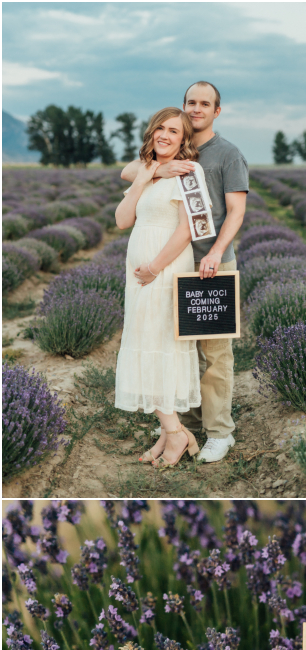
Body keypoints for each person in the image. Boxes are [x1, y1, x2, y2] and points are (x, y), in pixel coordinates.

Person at [122, 79, 248, 465]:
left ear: (216, 110)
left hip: (209, 263)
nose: (196, 109)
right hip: (175, 262)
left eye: (204, 103)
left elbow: (236, 211)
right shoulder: (170, 148)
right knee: (178, 346)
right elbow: (129, 171)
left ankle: (218, 433)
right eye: (190, 102)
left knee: (214, 353)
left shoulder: (227, 154)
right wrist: (159, 171)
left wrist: (217, 252)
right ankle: (179, 425)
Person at [113, 108, 209, 468]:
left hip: (164, 270)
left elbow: (189, 229)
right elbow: (123, 220)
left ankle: (177, 435)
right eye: (161, 129)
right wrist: (149, 173)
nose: (165, 135)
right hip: (138, 274)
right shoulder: (149, 171)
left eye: (174, 131)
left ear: (184, 139)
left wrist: (154, 267)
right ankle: (173, 434)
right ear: (152, 132)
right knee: (143, 343)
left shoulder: (190, 171)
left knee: (156, 343)